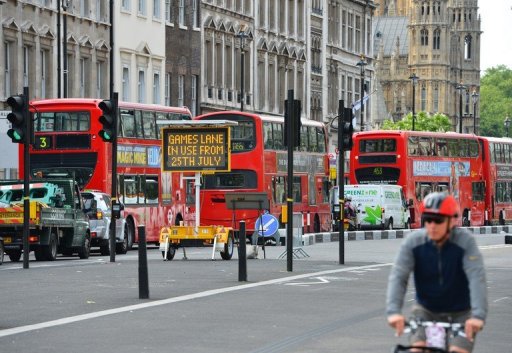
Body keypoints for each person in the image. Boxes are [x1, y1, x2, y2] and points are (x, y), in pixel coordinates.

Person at [386, 192, 487, 353]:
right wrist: (393, 312)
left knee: (458, 350)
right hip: (426, 310)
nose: (432, 225)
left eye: (438, 220)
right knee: (417, 349)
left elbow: (476, 277)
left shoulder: (465, 242)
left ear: (451, 221)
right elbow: (399, 276)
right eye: (428, 219)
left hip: (461, 313)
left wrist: (478, 316)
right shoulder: (413, 242)